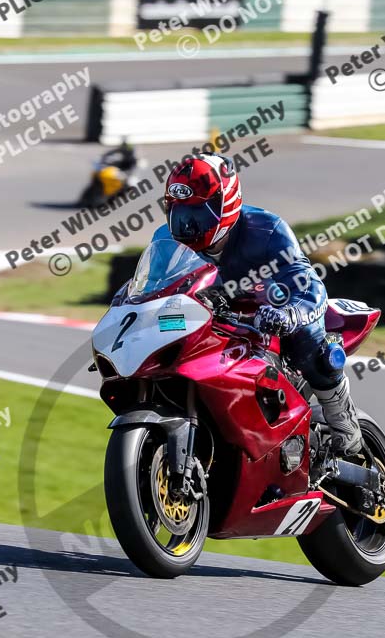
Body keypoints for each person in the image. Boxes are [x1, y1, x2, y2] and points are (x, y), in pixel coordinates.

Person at [152, 153, 364, 456]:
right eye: (179, 214)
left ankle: (344, 424)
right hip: (214, 325)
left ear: (225, 206)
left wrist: (291, 314)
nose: (187, 226)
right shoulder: (166, 242)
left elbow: (306, 282)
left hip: (272, 320)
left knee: (309, 343)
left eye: (197, 214)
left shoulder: (266, 230)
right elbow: (151, 288)